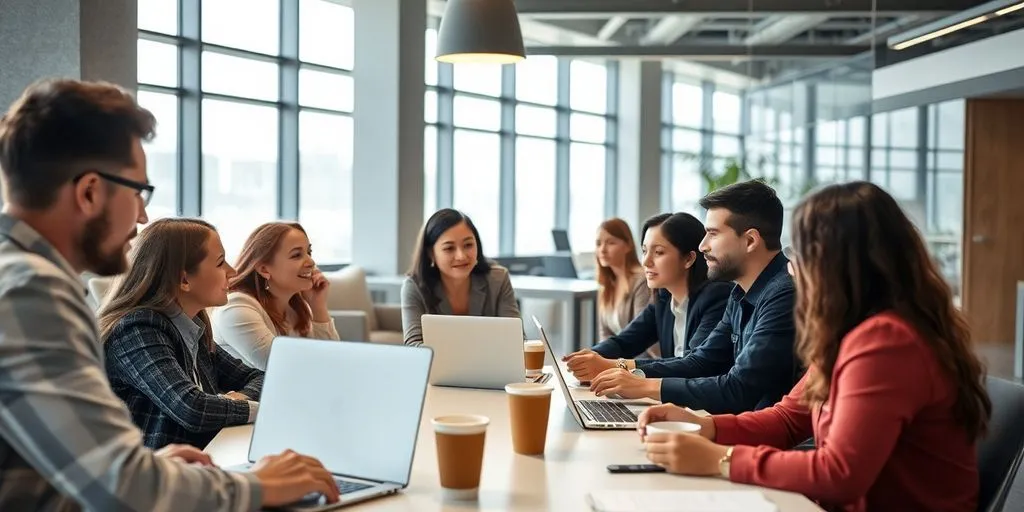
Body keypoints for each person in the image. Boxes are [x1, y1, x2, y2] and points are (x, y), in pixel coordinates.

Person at [0, 78, 337, 509]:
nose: (142, 217)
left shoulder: (24, 278)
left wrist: (147, 465)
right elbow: (119, 489)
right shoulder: (33, 292)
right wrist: (260, 485)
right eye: (139, 192)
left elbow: (71, 470)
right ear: (89, 192)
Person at [636, 182, 991, 512]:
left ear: (838, 264)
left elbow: (840, 473)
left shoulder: (887, 340)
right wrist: (704, 427)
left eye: (803, 253)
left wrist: (719, 459)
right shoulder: (850, 332)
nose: (792, 268)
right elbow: (789, 418)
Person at [585, 180, 798, 414]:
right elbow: (702, 362)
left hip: (766, 442)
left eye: (712, 234)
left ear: (749, 241)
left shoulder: (784, 294)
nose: (702, 246)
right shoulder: (739, 292)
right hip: (740, 430)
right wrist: (627, 371)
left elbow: (739, 390)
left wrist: (645, 385)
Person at [99, 218, 264, 450]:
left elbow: (259, 378)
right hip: (152, 478)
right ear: (184, 279)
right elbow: (191, 409)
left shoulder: (192, 327)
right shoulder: (136, 330)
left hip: (197, 463)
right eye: (220, 263)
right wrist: (261, 410)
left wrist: (234, 400)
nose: (232, 271)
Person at [564, 213, 731, 383]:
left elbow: (694, 365)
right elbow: (625, 342)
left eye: (658, 252)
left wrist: (613, 366)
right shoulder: (664, 298)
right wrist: (587, 358)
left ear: (688, 258)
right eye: (644, 251)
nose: (646, 261)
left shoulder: (717, 296)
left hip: (704, 406)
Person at [212, 222, 339, 370]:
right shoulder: (235, 308)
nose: (311, 262)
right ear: (264, 269)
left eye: (309, 252)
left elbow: (332, 360)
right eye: (297, 255)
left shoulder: (296, 308)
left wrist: (318, 307)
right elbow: (285, 368)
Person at [401, 208, 519, 346]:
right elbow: (413, 346)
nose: (461, 256)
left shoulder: (498, 279)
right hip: (439, 367)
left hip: (490, 366)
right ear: (431, 253)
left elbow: (515, 338)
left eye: (468, 245)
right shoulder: (414, 286)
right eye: (449, 248)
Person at [592, 218, 652, 350]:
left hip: (641, 362)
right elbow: (605, 334)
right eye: (598, 243)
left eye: (611, 243)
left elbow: (642, 336)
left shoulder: (642, 281)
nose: (602, 250)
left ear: (628, 245)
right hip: (618, 361)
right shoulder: (605, 285)